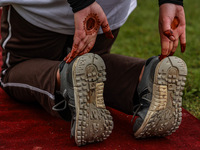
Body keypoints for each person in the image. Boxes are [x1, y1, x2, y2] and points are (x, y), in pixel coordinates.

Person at [0, 0, 187, 146]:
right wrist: (171, 1)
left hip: (44, 13)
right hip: (108, 11)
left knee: (15, 69)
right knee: (94, 59)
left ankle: (67, 76)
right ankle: (146, 76)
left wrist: (82, 4)